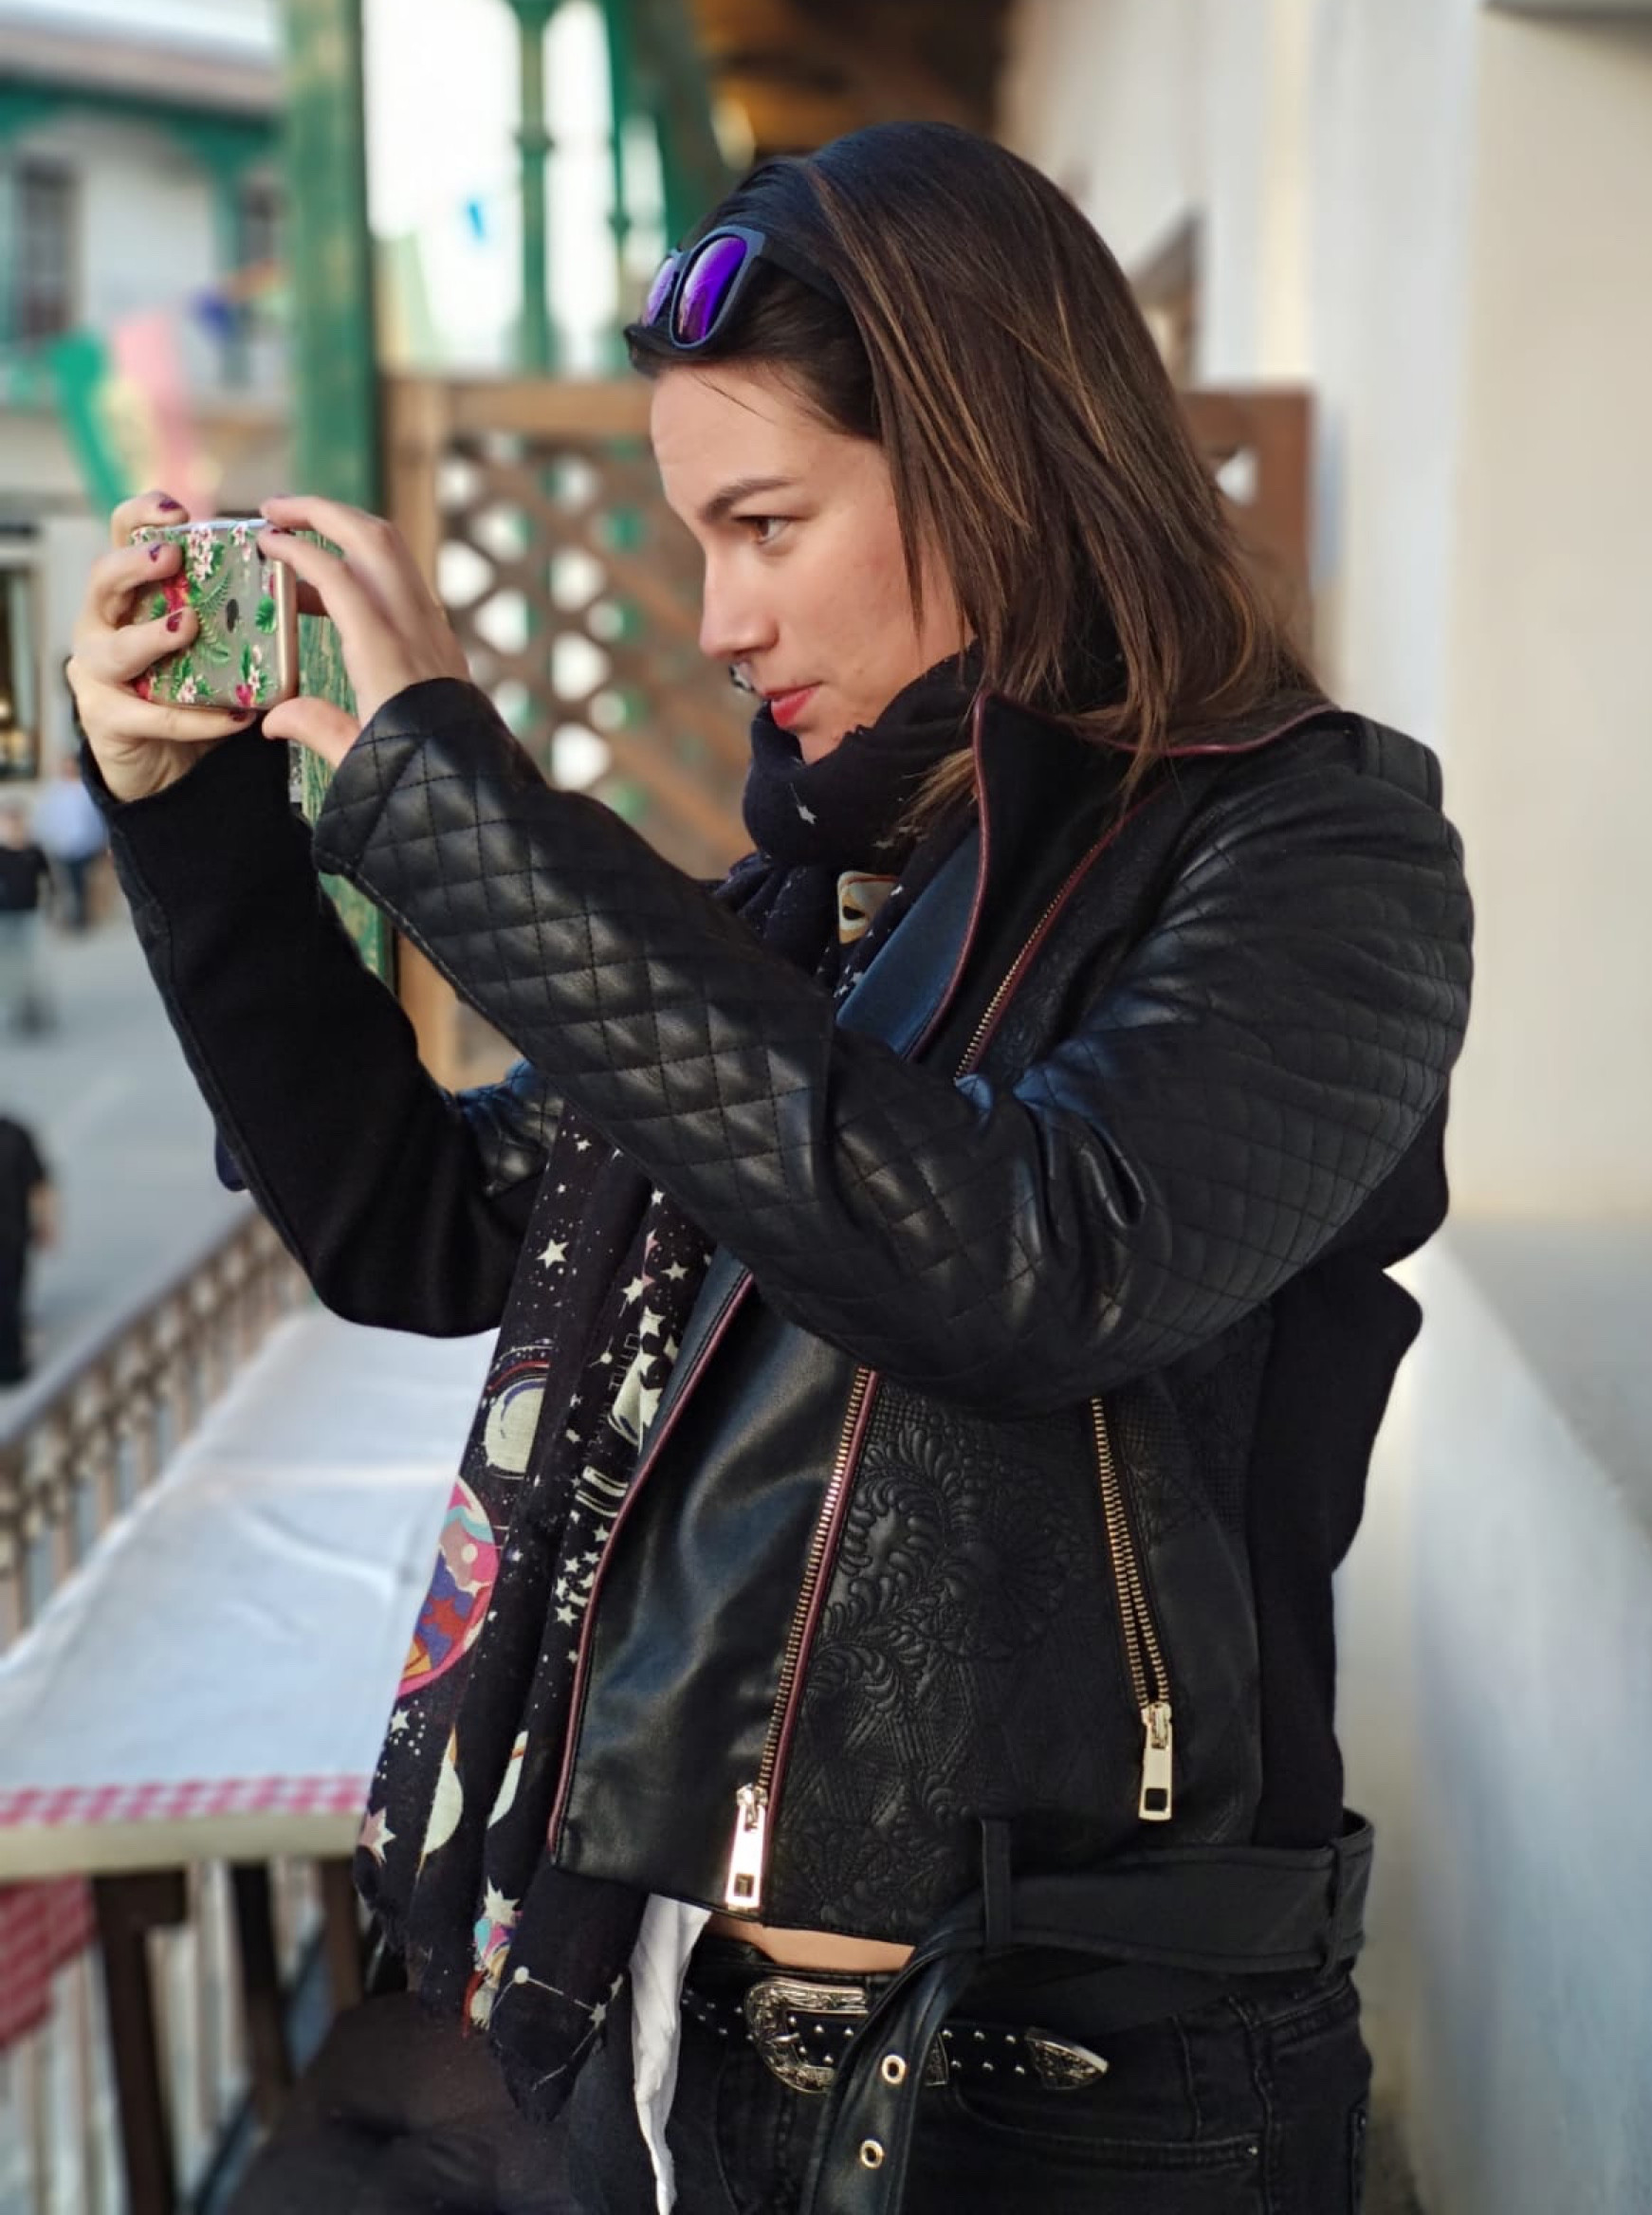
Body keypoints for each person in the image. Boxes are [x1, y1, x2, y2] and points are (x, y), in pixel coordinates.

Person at [67, 122, 1472, 2215]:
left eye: (764, 523)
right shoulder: (817, 918)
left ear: (997, 466)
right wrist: (202, 831)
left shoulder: (1320, 850)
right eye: (693, 538)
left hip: (1075, 2100)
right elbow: (418, 1226)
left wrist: (453, 806)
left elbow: (1028, 1257)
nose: (721, 618)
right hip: (690, 2052)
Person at [0, 1113, 54, 1386]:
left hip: (12, 1237)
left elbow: (39, 1183)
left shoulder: (15, 1135)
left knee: (9, 1300)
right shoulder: (15, 1134)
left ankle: (11, 1364)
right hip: (13, 1236)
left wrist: (46, 1222)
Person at [33, 749, 109, 932]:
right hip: (60, 846)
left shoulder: (87, 789)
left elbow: (98, 819)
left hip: (85, 846)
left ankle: (81, 917)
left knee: (81, 883)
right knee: (64, 883)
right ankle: (69, 916)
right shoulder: (55, 790)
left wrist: (100, 841)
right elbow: (46, 817)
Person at [0, 799, 53, 1035]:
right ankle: (13, 1009)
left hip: (30, 914)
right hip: (5, 917)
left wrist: (52, 908)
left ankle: (32, 1011)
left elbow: (49, 881)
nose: (14, 826)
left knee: (32, 965)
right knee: (10, 966)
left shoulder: (34, 851)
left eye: (17, 821)